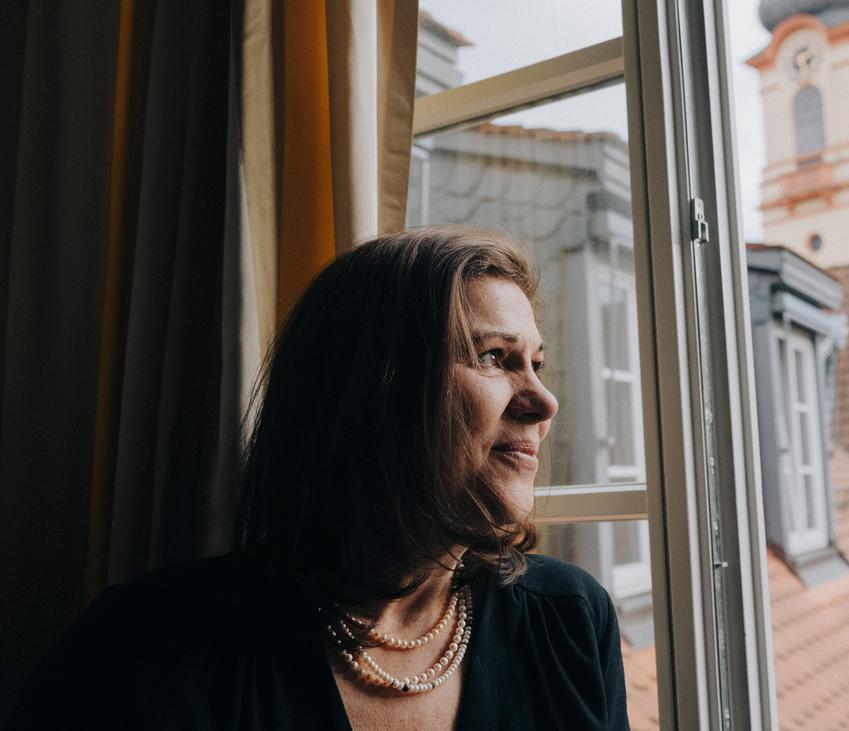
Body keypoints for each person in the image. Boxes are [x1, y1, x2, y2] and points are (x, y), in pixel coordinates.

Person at [7, 226, 631, 730]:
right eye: (495, 357)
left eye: (537, 363)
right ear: (372, 391)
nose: (544, 401)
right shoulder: (145, 647)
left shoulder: (570, 620)